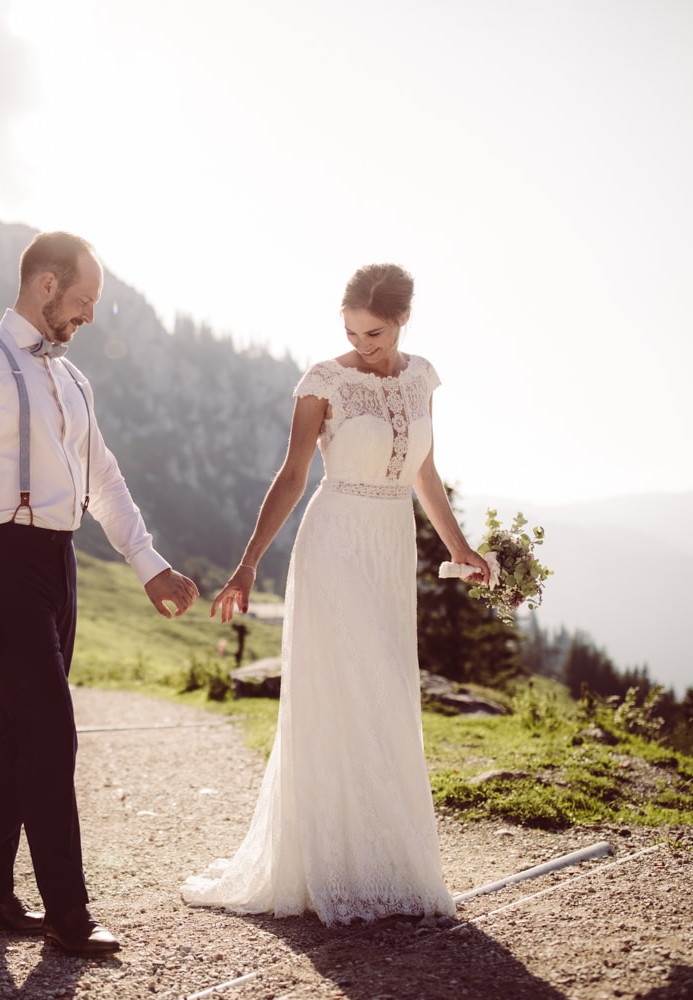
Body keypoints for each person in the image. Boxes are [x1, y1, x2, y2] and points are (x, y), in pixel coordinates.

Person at [181, 263, 489, 926]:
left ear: (403, 318)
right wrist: (246, 565)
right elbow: (293, 476)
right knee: (359, 682)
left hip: (390, 542)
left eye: (373, 331)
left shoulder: (421, 377)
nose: (361, 341)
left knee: (386, 695)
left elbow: (423, 470)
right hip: (334, 541)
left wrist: (458, 547)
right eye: (351, 329)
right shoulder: (324, 380)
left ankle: (384, 864)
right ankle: (329, 864)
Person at [0, 231, 200, 956]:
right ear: (45, 286)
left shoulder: (75, 381)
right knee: (51, 731)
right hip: (0, 559)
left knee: (18, 726)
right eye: (82, 301)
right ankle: (68, 914)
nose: (88, 317)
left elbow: (104, 479)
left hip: (57, 560)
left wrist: (150, 565)